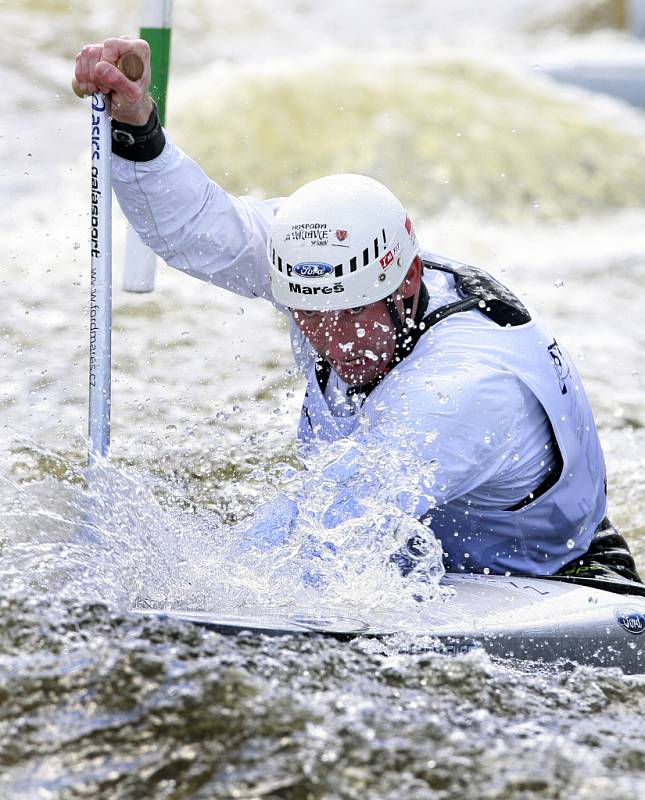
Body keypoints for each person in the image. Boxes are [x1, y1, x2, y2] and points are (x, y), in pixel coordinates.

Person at [74, 37, 642, 590]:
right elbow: (199, 229)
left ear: (408, 281)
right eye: (306, 313)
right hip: (426, 549)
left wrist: (177, 600)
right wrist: (135, 126)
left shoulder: (464, 390)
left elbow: (321, 536)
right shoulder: (317, 264)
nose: (331, 338)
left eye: (350, 315)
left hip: (558, 578)